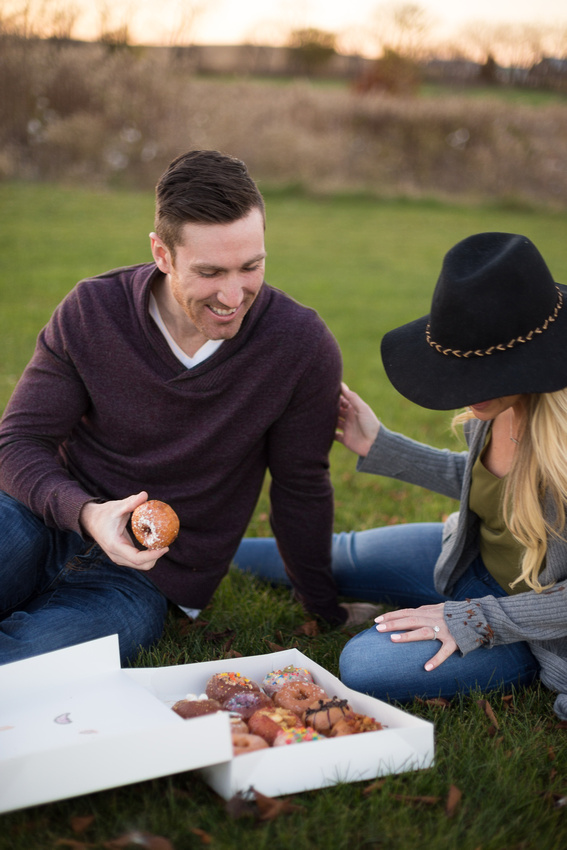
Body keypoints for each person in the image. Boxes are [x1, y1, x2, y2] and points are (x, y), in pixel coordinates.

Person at [0, 149, 377, 667]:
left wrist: (323, 608)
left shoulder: (300, 346)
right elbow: (18, 444)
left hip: (143, 580)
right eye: (210, 272)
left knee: (29, 667)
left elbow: (300, 487)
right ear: (162, 253)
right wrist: (87, 514)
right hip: (42, 520)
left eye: (251, 266)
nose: (233, 294)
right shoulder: (93, 311)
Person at [234, 231, 567, 720]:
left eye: (485, 375)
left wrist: (476, 618)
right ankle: (190, 553)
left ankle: (474, 642)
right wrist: (381, 446)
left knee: (366, 664)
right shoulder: (507, 404)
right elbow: (490, 485)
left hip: (532, 622)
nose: (466, 392)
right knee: (319, 556)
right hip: (464, 559)